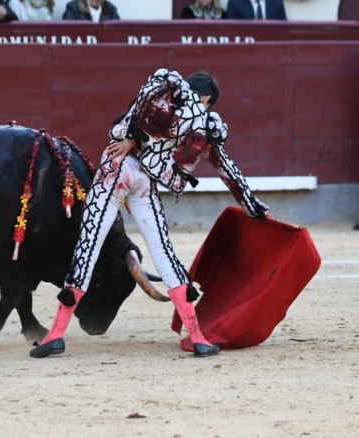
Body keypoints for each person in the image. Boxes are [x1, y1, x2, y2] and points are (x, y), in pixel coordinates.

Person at [30, 69, 269, 359]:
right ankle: (197, 338)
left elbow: (144, 96)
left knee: (88, 247)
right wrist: (250, 203)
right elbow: (226, 169)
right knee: (165, 253)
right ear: (207, 98)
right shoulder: (204, 124)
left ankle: (55, 335)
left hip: (117, 166)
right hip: (145, 182)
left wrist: (131, 136)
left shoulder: (168, 88)